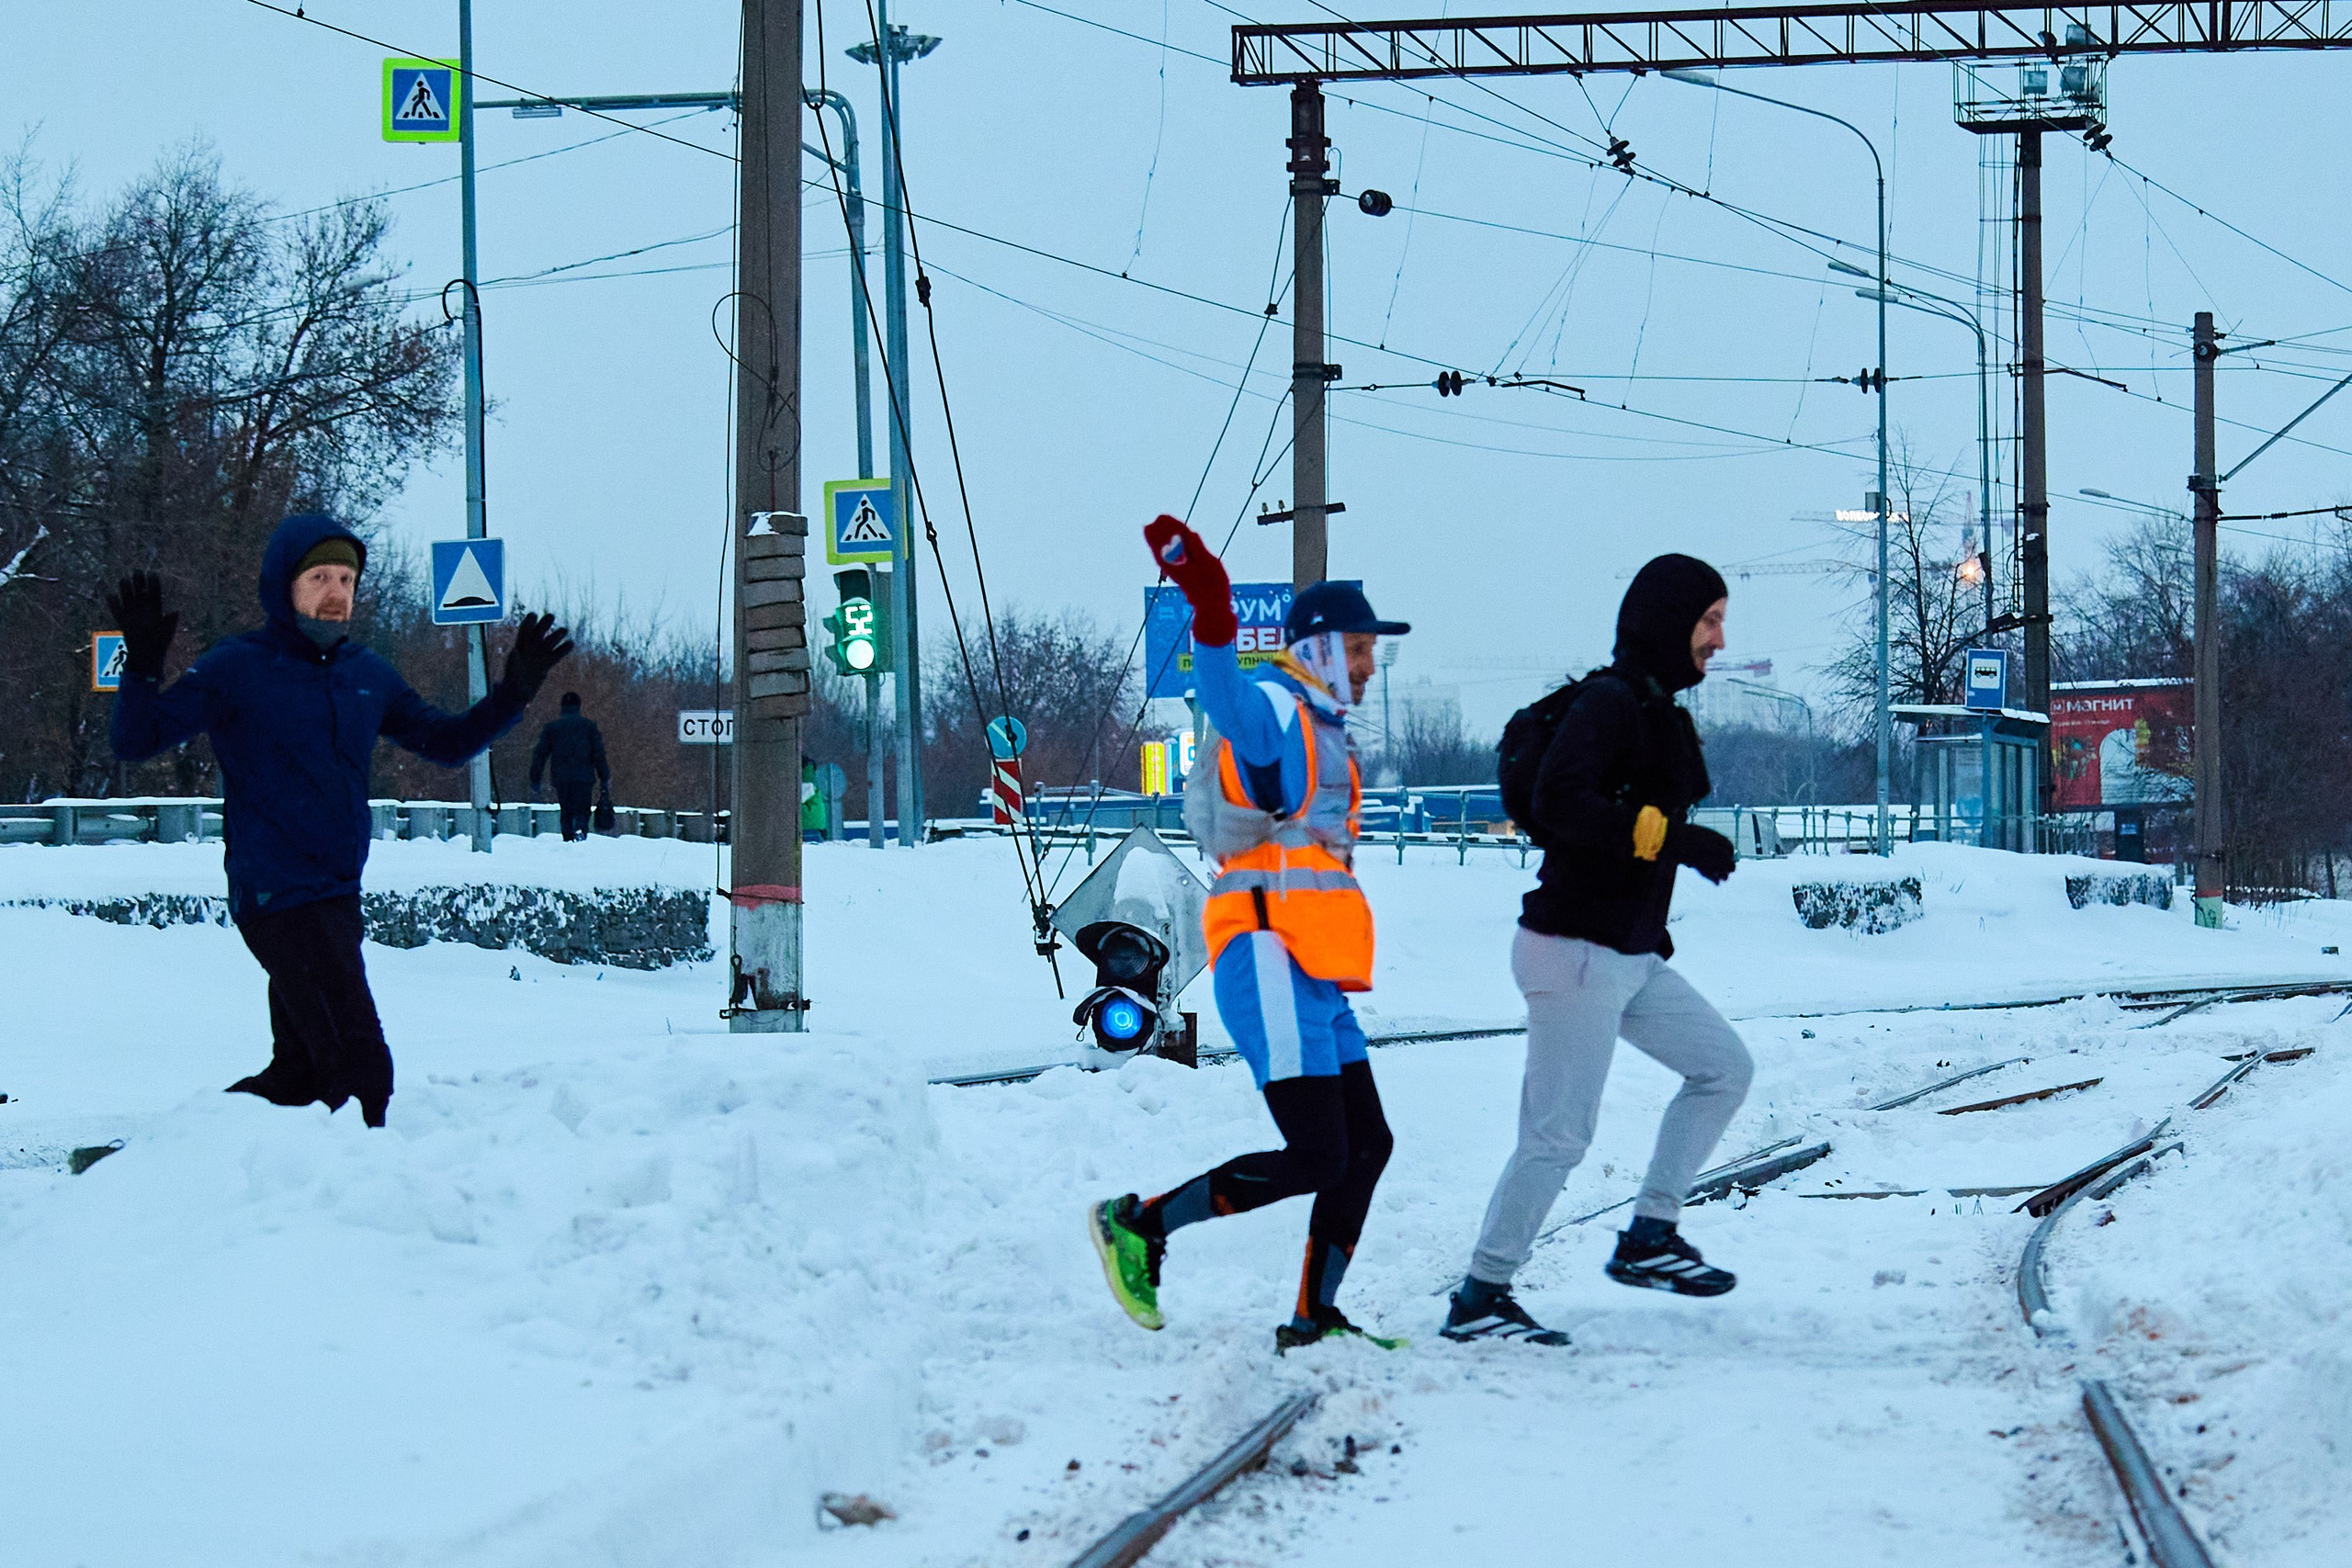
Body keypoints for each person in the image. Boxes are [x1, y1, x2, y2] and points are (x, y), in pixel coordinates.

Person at [107, 513, 572, 1128]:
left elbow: (447, 742)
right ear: (285, 585)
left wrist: (513, 691)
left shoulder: (366, 675)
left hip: (337, 894)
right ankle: (354, 1200)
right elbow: (137, 739)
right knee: (361, 1074)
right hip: (276, 894)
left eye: (347, 579)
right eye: (320, 576)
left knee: (300, 1074)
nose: (336, 592)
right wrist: (139, 667)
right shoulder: (236, 668)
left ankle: (181, 1151)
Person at [1089, 516, 1408, 1351]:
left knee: (1365, 1144)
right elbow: (1224, 698)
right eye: (1366, 648)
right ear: (1325, 645)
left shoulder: (1323, 728)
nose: (1374, 666)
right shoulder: (1273, 706)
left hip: (1310, 968)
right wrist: (1212, 607)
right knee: (1318, 1153)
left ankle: (1315, 1314)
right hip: (1264, 953)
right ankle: (1140, 1224)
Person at [1442, 553, 1754, 1347]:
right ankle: (1481, 1294)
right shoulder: (1611, 703)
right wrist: (1671, 837)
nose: (1719, 639)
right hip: (1572, 950)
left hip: (1626, 952)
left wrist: (1657, 884)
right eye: (1709, 620)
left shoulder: (1659, 711)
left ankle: (1651, 1234)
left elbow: (1625, 832)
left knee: (1723, 1067)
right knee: (1557, 1136)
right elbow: (1560, 799)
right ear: (1666, 620)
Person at [530, 692, 610, 841]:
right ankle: (580, 831)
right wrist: (604, 776)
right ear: (579, 706)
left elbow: (540, 754)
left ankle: (567, 837)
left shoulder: (552, 728)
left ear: (562, 707)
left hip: (562, 777)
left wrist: (535, 778)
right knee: (583, 808)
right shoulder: (589, 727)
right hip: (584, 777)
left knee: (566, 809)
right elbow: (598, 754)